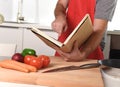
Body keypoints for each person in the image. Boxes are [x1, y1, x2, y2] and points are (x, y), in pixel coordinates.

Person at [51, 0, 117, 62]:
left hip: (90, 48)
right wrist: (60, 16)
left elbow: (98, 30)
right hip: (65, 44)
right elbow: (61, 4)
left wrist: (82, 54)